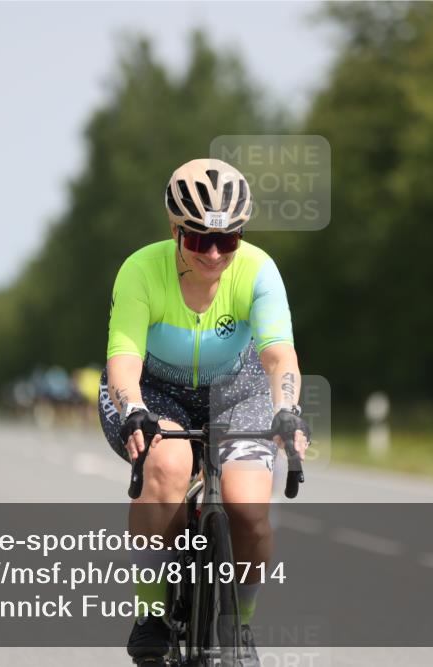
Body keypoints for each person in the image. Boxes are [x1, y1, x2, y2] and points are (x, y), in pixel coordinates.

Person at [98, 158, 311, 666]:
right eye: (198, 240)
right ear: (175, 230)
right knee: (168, 467)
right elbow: (123, 360)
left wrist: (287, 410)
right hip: (154, 392)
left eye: (228, 240)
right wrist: (134, 410)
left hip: (238, 391)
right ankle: (151, 613)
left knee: (247, 508)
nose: (214, 254)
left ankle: (240, 624)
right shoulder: (141, 270)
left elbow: (279, 356)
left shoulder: (258, 270)